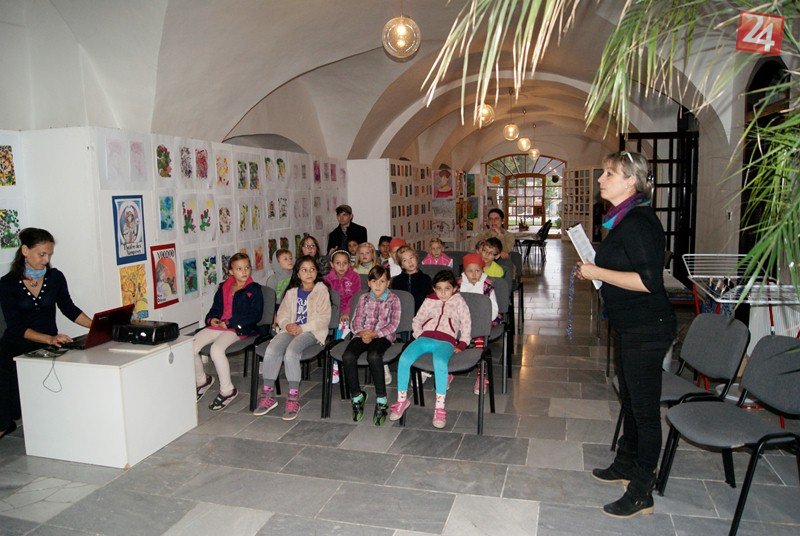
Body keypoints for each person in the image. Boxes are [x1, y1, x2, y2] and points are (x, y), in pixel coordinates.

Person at [576, 150, 676, 519]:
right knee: (631, 401)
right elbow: (623, 267)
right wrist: (594, 269)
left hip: (647, 328)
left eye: (609, 173)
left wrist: (597, 273)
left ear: (631, 181)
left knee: (645, 411)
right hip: (630, 325)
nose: (600, 179)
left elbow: (649, 282)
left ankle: (642, 489)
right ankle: (626, 462)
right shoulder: (623, 219)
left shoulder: (638, 222)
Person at [0, 228, 93, 439]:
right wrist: (50, 338)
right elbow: (15, 327)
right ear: (25, 250)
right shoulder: (7, 284)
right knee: (3, 367)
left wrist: (96, 326)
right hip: (17, 343)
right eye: (41, 254)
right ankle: (4, 423)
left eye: (49, 254)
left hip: (47, 343)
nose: (46, 260)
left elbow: (69, 309)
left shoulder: (55, 277)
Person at [389, 269, 470, 429]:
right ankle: (402, 400)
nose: (443, 293)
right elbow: (417, 319)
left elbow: (466, 324)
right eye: (439, 289)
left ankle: (439, 408)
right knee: (404, 359)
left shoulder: (459, 302)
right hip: (425, 337)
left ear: (454, 288)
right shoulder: (429, 300)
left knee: (439, 362)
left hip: (446, 341)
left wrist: (462, 343)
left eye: (447, 289)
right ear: (434, 288)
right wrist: (419, 335)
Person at [254, 255, 331, 420]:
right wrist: (287, 324)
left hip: (312, 332)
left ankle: (293, 397)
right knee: (272, 349)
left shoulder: (321, 290)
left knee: (291, 352)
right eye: (304, 270)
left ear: (317, 272)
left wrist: (302, 328)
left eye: (312, 269)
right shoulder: (291, 293)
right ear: (297, 273)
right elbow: (281, 315)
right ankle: (268, 394)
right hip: (290, 330)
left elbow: (323, 319)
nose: (308, 273)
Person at [194, 253, 264, 411]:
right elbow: (216, 308)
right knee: (190, 346)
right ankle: (202, 381)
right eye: (239, 268)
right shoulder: (224, 287)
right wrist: (212, 319)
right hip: (219, 326)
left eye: (247, 267)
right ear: (231, 272)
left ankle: (227, 391)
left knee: (216, 350)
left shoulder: (254, 289)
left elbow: (255, 315)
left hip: (239, 328)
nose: (244, 271)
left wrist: (230, 323)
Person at [341, 265, 400, 425]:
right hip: (363, 334)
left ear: (388, 282)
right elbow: (355, 321)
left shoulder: (393, 299)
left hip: (382, 336)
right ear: (368, 283)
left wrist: (375, 334)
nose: (378, 285)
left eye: (382, 281)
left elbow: (393, 324)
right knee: (348, 356)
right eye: (374, 281)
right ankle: (357, 396)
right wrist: (362, 333)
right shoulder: (363, 298)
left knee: (373, 356)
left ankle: (381, 399)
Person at [457, 253, 500, 395]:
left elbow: (493, 309)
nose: (474, 274)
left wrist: (481, 322)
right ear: (464, 272)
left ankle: (482, 375)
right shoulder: (458, 285)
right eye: (470, 271)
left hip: (480, 321)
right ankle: (448, 372)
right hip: (461, 321)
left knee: (479, 342)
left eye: (478, 271)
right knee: (449, 338)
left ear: (482, 270)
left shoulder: (487, 286)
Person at [323, 250, 362, 385]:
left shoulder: (354, 277)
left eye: (345, 263)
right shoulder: (327, 279)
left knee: (341, 330)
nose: (341, 266)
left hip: (351, 311)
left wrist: (346, 312)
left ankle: (336, 364)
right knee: (337, 327)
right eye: (338, 263)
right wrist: (337, 313)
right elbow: (327, 299)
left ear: (349, 264)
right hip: (334, 312)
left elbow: (356, 297)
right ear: (332, 264)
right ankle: (336, 359)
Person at [391, 245, 432, 313]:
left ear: (416, 258)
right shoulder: (396, 281)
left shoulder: (426, 279)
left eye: (411, 258)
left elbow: (430, 301)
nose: (409, 262)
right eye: (405, 260)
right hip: (403, 314)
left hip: (422, 314)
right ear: (401, 265)